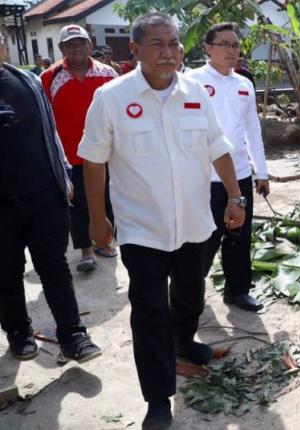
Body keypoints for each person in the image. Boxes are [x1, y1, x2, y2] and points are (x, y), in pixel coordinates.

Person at [78, 13, 244, 430]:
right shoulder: (111, 98)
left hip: (193, 223)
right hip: (141, 229)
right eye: (157, 43)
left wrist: (236, 196)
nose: (168, 52)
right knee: (149, 312)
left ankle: (185, 341)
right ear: (133, 50)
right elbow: (93, 163)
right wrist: (97, 220)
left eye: (174, 43)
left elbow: (217, 146)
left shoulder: (194, 93)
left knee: (190, 295)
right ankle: (157, 398)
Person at [0, 28, 102, 364]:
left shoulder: (26, 80)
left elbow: (50, 130)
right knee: (6, 271)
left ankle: (73, 336)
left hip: (43, 194)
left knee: (55, 267)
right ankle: (19, 333)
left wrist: (63, 173)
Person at [186, 22, 268, 312]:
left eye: (235, 45)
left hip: (241, 175)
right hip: (204, 177)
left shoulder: (244, 84)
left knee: (239, 236)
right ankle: (189, 289)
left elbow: (253, 131)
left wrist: (261, 172)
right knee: (204, 238)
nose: (232, 51)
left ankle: (237, 290)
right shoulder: (191, 81)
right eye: (225, 44)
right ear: (208, 48)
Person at [40, 24, 119, 273]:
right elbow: (44, 118)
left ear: (90, 45)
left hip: (107, 153)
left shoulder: (109, 73)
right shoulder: (50, 77)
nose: (76, 48)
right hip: (71, 155)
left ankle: (104, 243)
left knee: (108, 199)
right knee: (79, 203)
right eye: (70, 44)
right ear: (62, 49)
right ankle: (86, 251)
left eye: (81, 43)